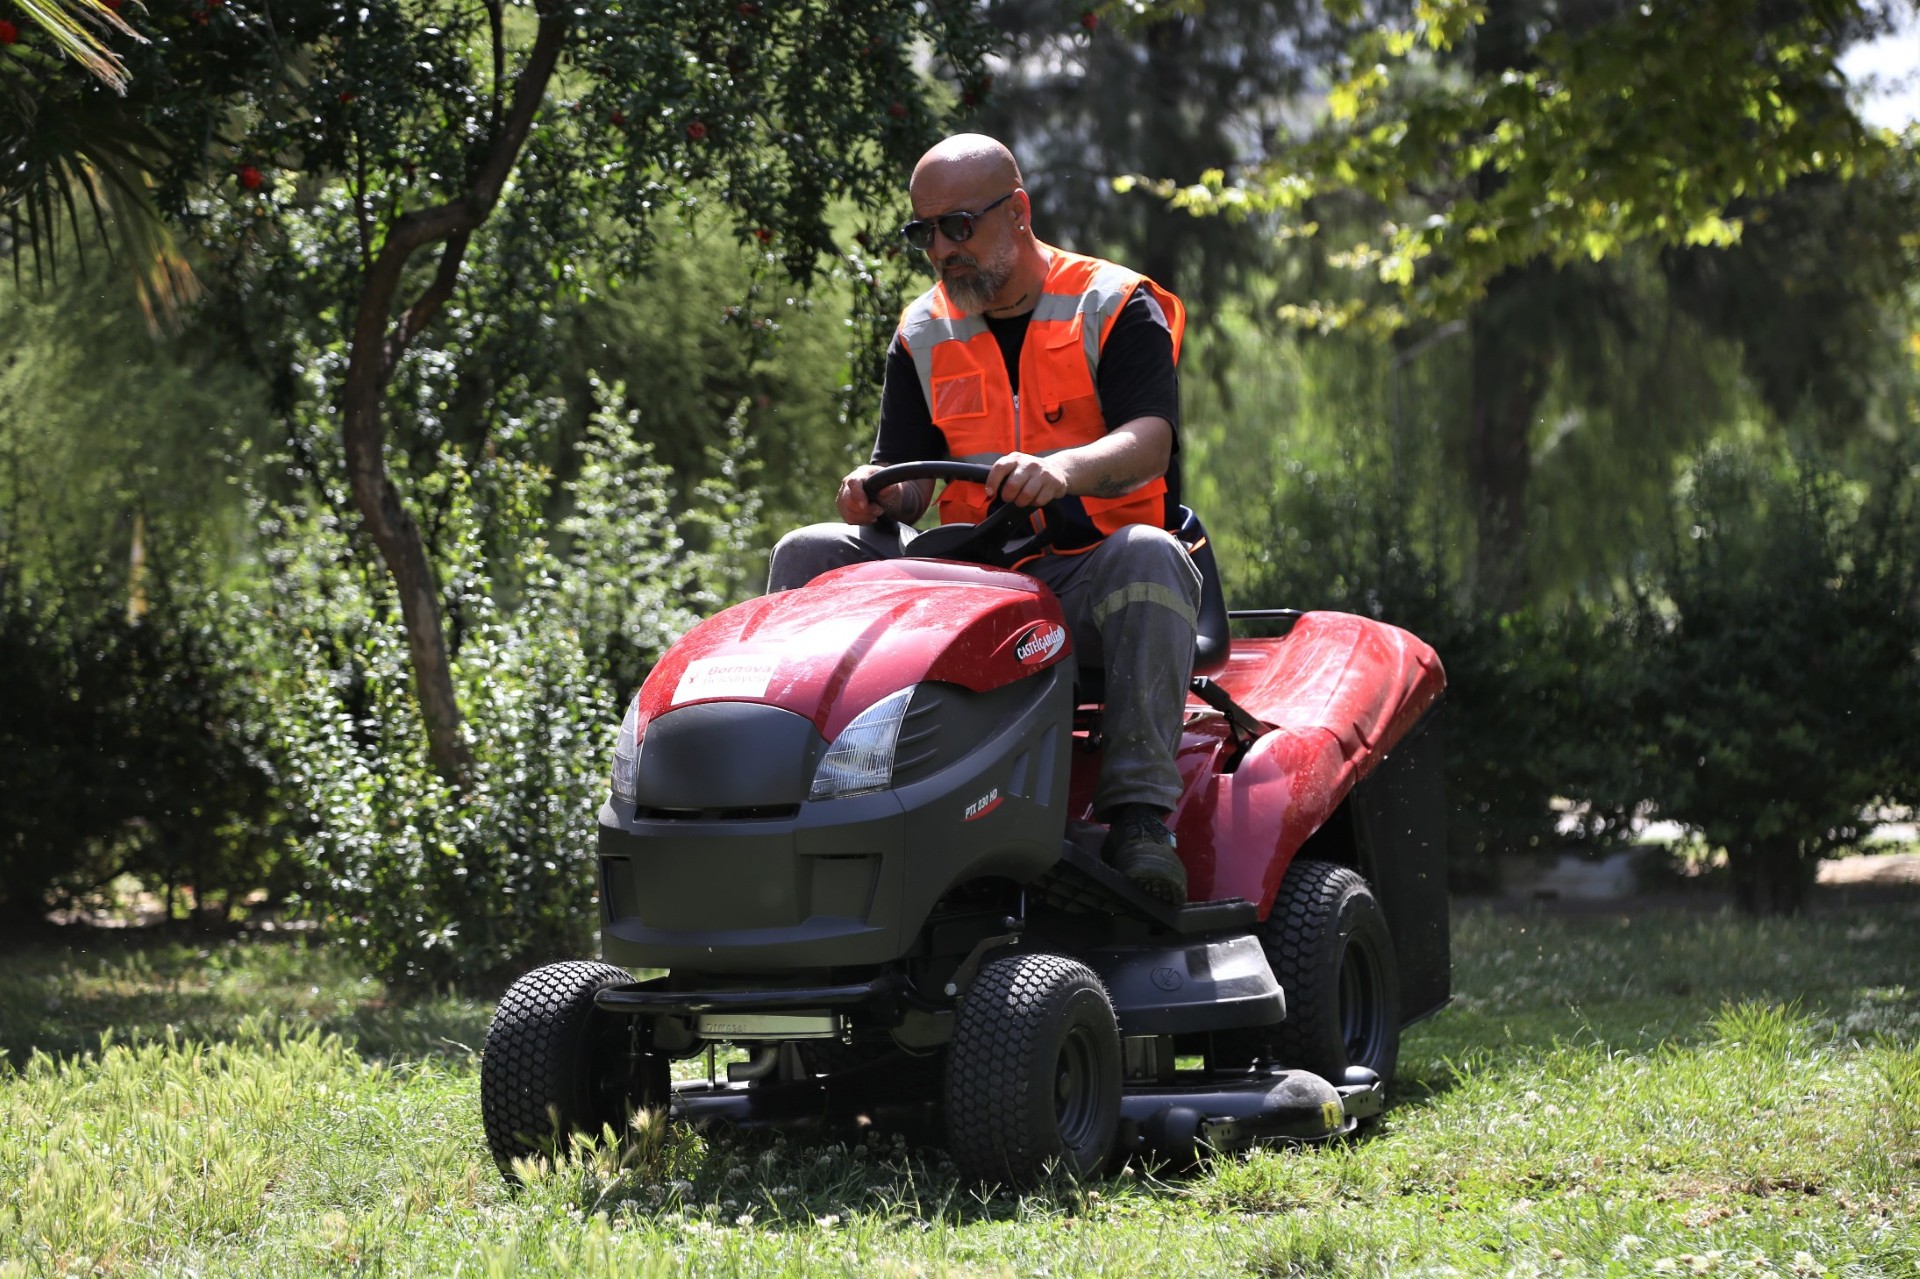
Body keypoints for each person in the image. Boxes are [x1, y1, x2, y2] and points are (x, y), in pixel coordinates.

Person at [767, 133, 1200, 905]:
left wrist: (1064, 469)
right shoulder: (922, 331)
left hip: (1082, 579)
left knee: (1151, 554)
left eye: (958, 227)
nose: (941, 250)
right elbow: (909, 480)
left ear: (1018, 212)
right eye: (924, 232)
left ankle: (1140, 819)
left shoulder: (1114, 304)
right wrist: (877, 492)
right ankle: (790, 795)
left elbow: (1150, 443)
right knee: (808, 553)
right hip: (964, 590)